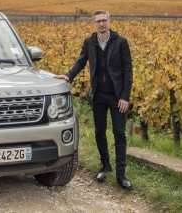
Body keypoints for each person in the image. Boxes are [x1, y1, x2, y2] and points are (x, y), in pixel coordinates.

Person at [55, 10, 133, 190]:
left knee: (119, 134)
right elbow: (81, 62)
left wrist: (124, 97)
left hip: (117, 96)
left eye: (104, 20)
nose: (101, 24)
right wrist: (68, 76)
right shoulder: (89, 42)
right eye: (98, 21)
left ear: (109, 21)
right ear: (94, 23)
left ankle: (121, 175)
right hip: (98, 95)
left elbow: (128, 71)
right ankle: (105, 165)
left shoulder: (121, 42)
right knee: (99, 132)